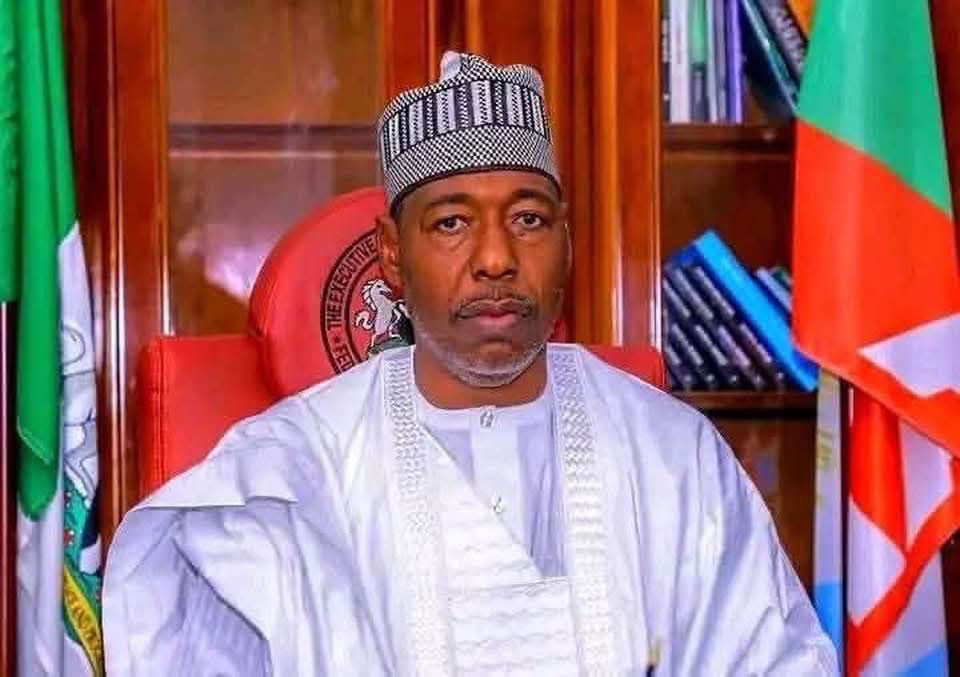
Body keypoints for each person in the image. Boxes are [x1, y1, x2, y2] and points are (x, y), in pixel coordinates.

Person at [103, 52, 837, 675]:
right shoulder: (287, 474)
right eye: (452, 222)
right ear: (392, 254)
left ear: (567, 242)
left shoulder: (672, 453)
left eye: (528, 219)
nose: (495, 258)